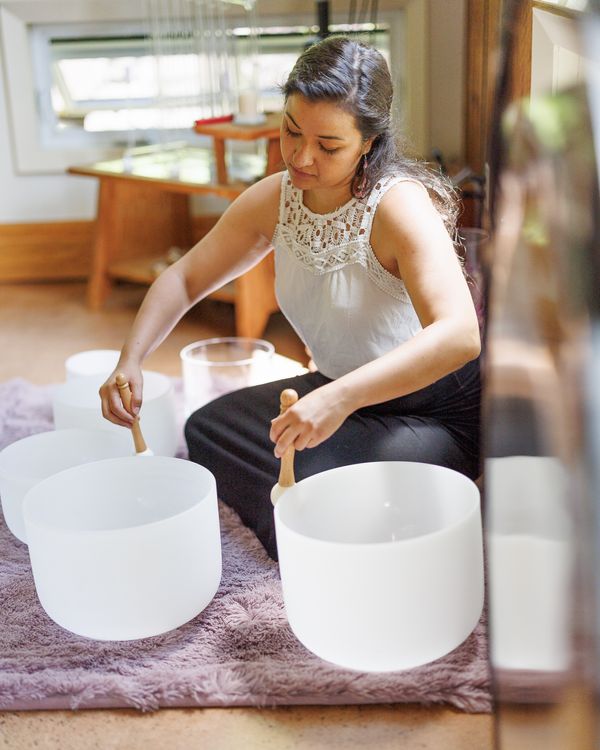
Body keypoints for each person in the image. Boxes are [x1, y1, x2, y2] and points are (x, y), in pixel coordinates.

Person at [100, 36, 481, 560]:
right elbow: (186, 278)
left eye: (328, 146)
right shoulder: (276, 199)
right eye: (291, 131)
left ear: (368, 142)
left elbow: (460, 336)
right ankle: (307, 523)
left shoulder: (398, 207)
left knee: (308, 477)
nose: (302, 157)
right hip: (335, 388)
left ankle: (310, 533)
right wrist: (131, 358)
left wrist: (338, 400)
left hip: (431, 411)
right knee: (207, 429)